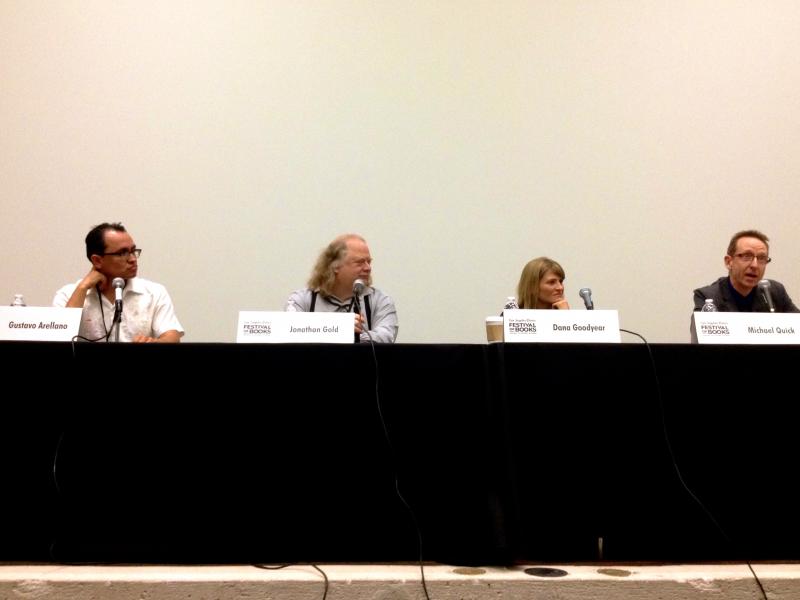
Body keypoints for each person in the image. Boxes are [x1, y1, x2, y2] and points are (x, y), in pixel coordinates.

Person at [53, 222, 184, 342]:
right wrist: (83, 287)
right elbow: (59, 338)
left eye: (133, 251)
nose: (132, 259)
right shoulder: (68, 294)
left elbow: (173, 336)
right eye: (122, 253)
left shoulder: (154, 292)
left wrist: (154, 343)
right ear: (97, 260)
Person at [286, 233, 398, 343]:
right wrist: (338, 328)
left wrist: (346, 335)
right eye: (359, 262)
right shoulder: (302, 300)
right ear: (335, 266)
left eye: (369, 262)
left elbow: (386, 337)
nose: (368, 268)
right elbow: (289, 329)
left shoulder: (380, 301)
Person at [693, 229, 799, 313]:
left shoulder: (774, 292)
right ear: (729, 262)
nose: (755, 265)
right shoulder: (708, 297)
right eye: (747, 256)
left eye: (761, 258)